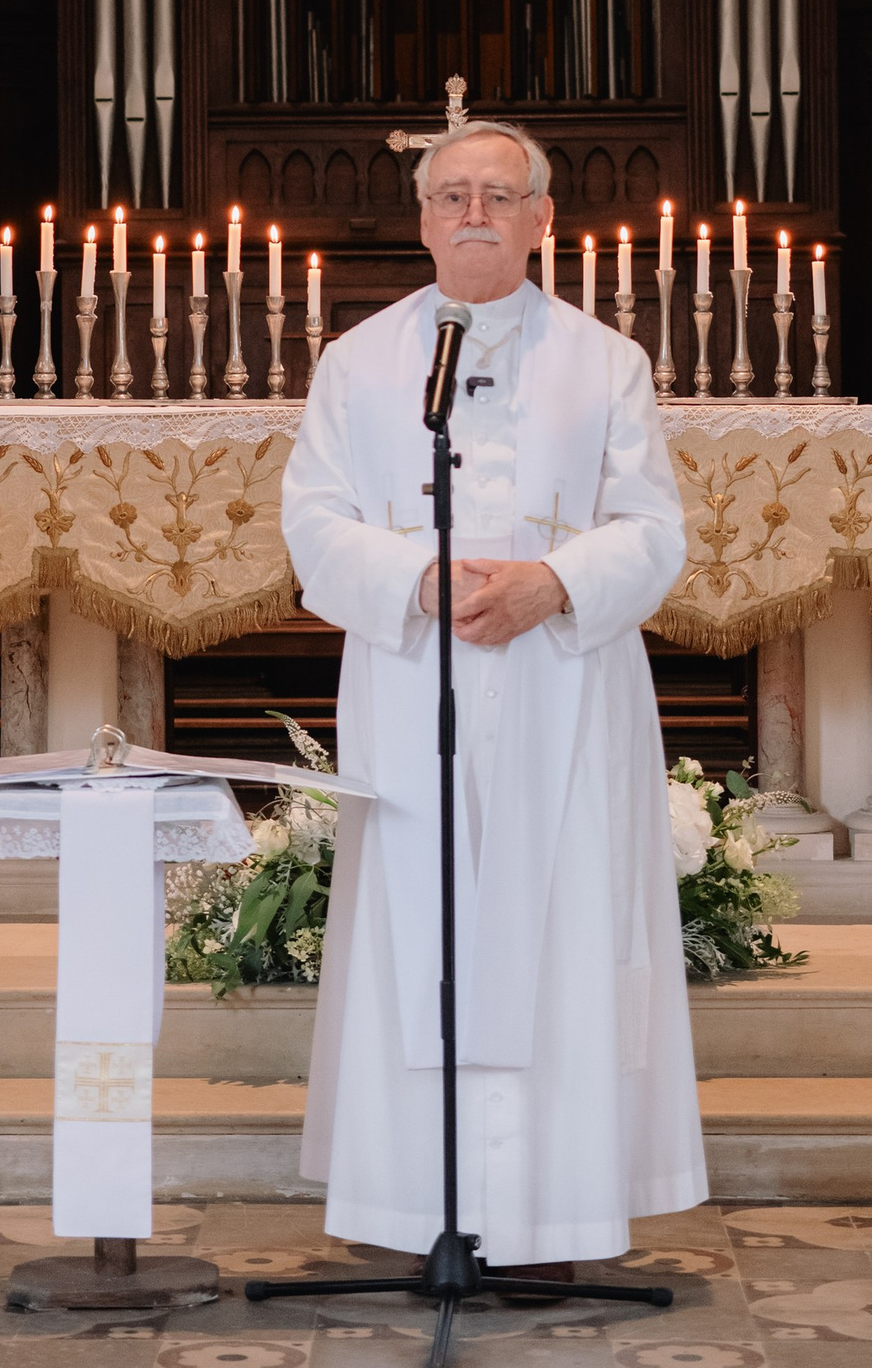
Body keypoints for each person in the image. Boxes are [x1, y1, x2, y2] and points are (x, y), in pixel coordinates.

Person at [282, 116, 706, 1268]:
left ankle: (556, 1214)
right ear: (421, 218)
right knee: (417, 933)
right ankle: (418, 1209)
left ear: (541, 218)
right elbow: (310, 521)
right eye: (452, 193)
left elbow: (656, 530)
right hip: (412, 679)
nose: (473, 211)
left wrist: (552, 583)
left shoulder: (607, 361)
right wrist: (415, 577)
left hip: (564, 685)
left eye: (498, 193)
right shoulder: (360, 360)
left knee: (563, 922)